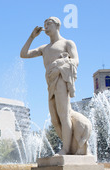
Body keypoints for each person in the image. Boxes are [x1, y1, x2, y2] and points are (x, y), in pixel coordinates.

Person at [20, 17, 80, 155]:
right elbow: (23, 54)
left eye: (49, 23)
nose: (46, 26)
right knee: (54, 119)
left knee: (64, 115)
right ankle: (70, 146)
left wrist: (60, 66)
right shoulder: (44, 48)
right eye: (44, 24)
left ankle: (66, 149)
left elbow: (76, 60)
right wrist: (31, 37)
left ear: (57, 25)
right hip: (50, 83)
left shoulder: (67, 43)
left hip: (61, 79)